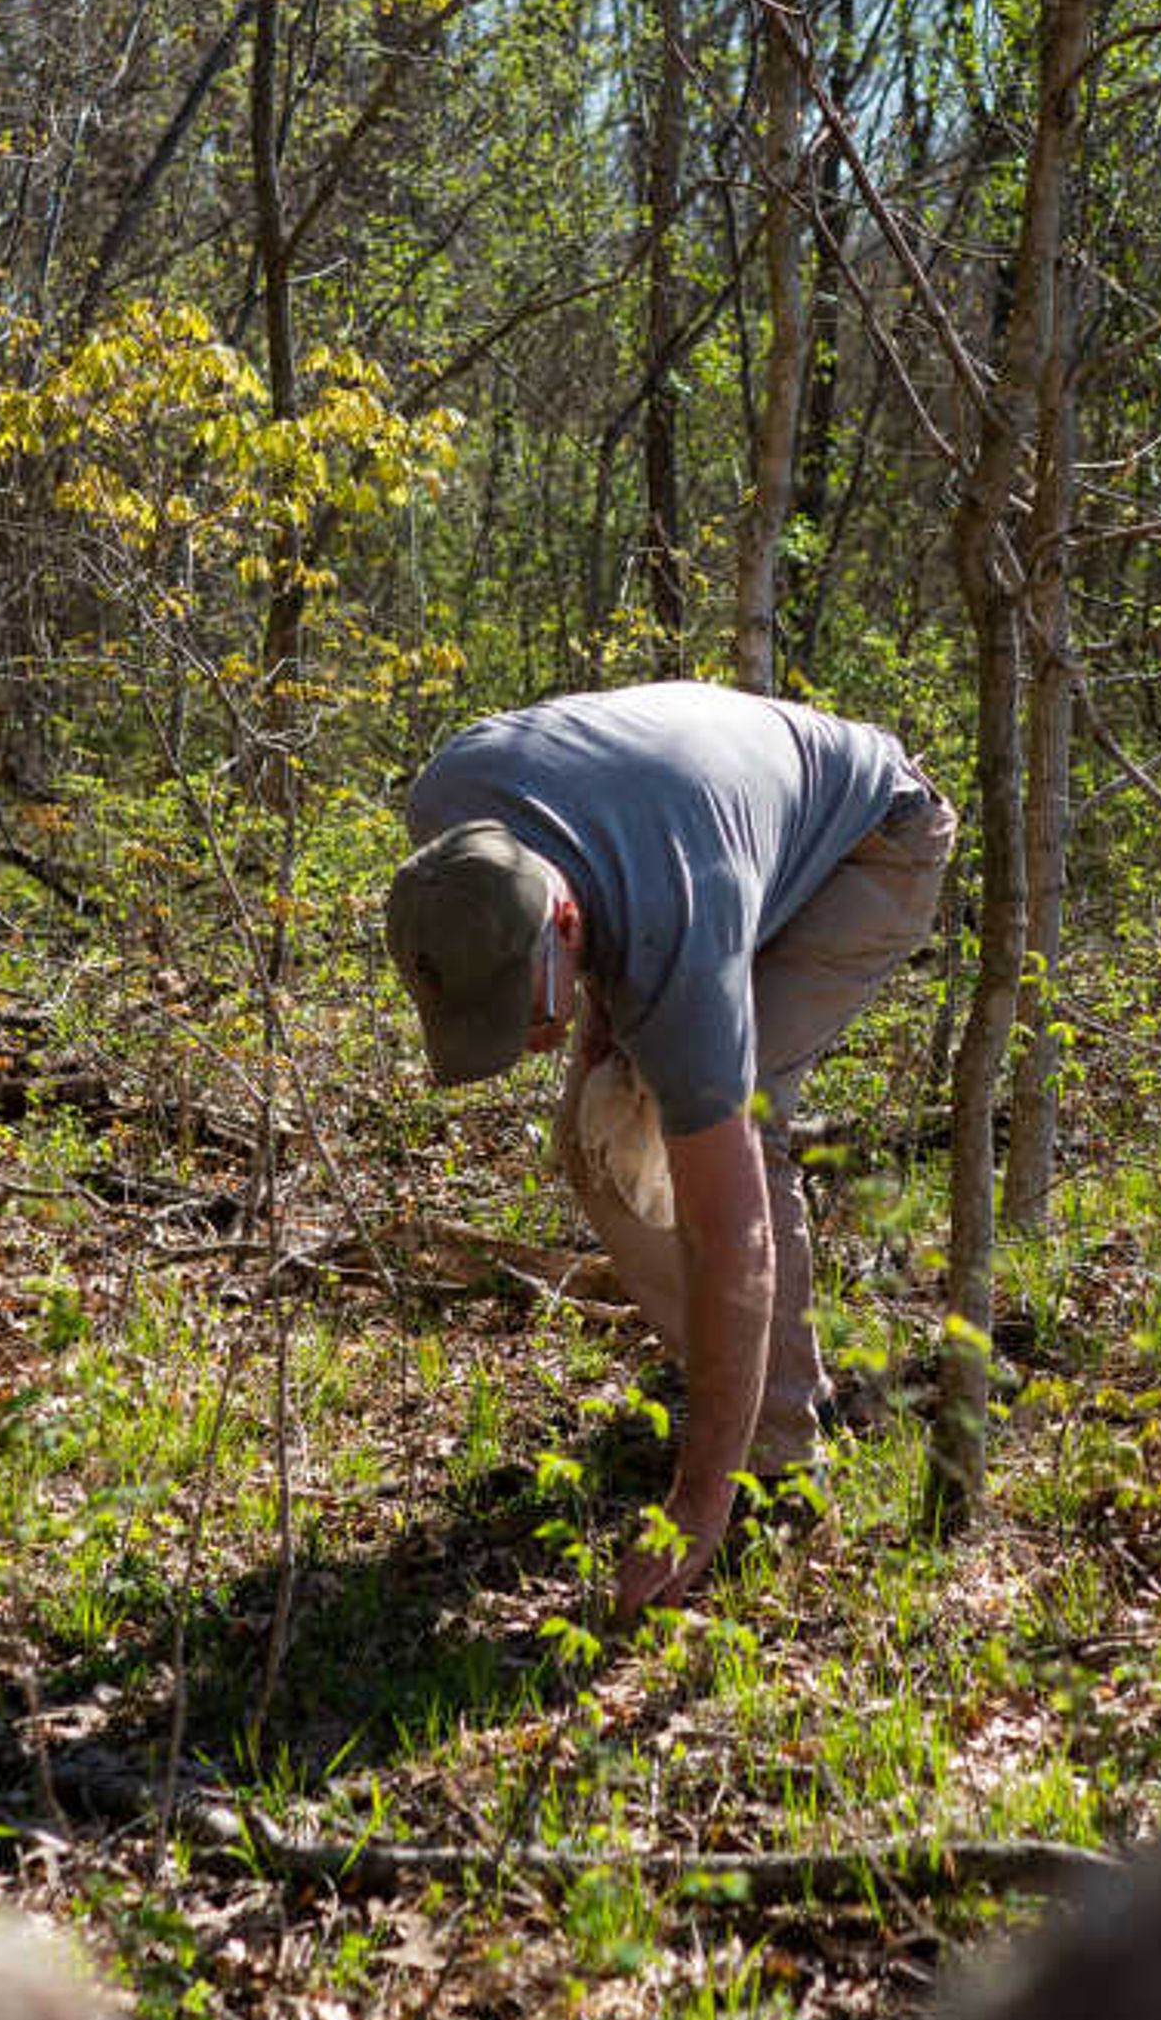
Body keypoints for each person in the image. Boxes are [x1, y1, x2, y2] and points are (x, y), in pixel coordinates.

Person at [384, 684, 954, 1616]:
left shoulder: (675, 932)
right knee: (599, 1133)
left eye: (522, 1015)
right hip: (695, 835)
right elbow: (606, 865)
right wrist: (599, 1011)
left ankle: (772, 1468)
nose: (524, 1042)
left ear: (563, 927)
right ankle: (737, 1382)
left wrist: (695, 1503)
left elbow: (738, 1241)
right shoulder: (449, 819)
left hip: (875, 844)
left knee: (737, 1139)